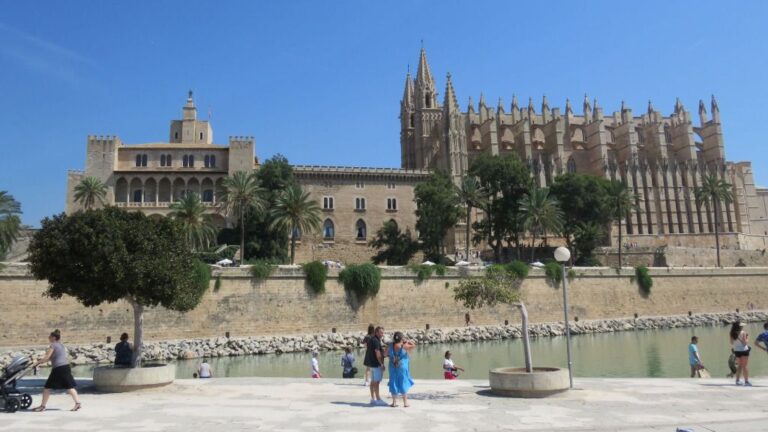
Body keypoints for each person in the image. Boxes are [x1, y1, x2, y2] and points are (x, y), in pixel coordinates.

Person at [31, 329, 82, 412]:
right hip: (65, 367)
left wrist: (37, 362)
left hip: (58, 368)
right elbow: (51, 358)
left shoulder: (53, 345)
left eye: (50, 336)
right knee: (69, 386)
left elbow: (47, 357)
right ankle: (78, 403)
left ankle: (42, 406)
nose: (48, 337)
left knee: (47, 387)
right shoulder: (61, 345)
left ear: (54, 337)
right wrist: (39, 363)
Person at [387, 331, 415, 407]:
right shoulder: (404, 346)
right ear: (401, 338)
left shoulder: (390, 346)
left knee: (393, 382)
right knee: (403, 382)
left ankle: (394, 402)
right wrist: (407, 341)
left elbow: (385, 354)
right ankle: (405, 402)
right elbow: (413, 345)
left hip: (392, 366)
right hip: (402, 366)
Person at [364, 326, 387, 406]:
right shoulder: (376, 341)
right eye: (381, 332)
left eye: (383, 333)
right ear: (376, 332)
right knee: (376, 382)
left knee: (372, 382)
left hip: (371, 364)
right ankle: (378, 399)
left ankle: (373, 399)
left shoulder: (371, 339)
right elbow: (377, 353)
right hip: (376, 365)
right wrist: (381, 364)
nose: (382, 334)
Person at [730, 321, 751, 386]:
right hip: (744, 350)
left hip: (736, 350)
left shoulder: (731, 333)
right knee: (745, 366)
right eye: (742, 326)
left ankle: (737, 381)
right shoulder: (743, 332)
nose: (742, 327)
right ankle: (746, 381)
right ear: (739, 327)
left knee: (739, 366)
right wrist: (747, 338)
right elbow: (745, 343)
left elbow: (731, 343)